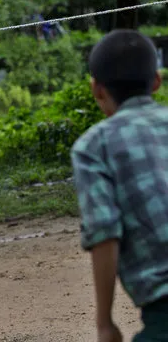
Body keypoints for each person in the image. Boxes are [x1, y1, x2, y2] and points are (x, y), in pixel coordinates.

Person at [71, 29, 168, 342]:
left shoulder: (94, 146)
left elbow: (104, 232)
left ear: (96, 89)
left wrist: (105, 324)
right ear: (156, 81)